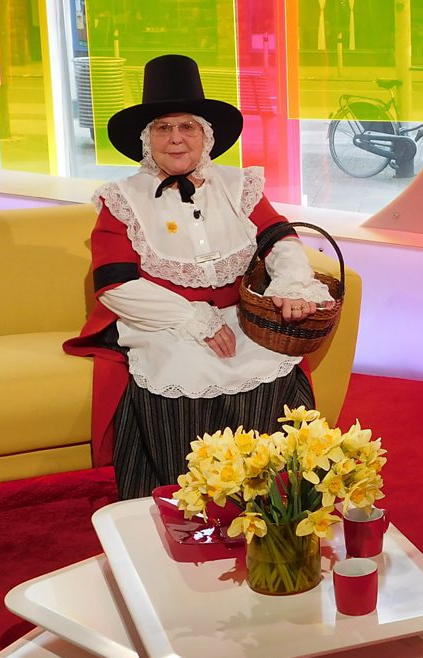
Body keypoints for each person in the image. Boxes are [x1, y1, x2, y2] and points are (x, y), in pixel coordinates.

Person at [64, 55, 333, 500]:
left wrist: (292, 284)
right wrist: (193, 319)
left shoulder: (239, 185)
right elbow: (115, 287)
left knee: (269, 360)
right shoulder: (122, 199)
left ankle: (272, 498)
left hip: (241, 316)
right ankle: (190, 499)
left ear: (206, 136)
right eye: (163, 128)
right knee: (182, 364)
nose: (176, 138)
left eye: (187, 126)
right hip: (164, 320)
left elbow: (280, 239)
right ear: (147, 139)